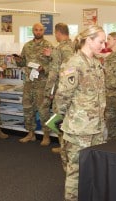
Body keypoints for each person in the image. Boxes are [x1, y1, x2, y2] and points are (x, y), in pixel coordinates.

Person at [54, 25, 106, 201]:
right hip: (79, 129)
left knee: (95, 168)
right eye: (100, 41)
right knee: (75, 170)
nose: (103, 45)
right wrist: (61, 117)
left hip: (97, 127)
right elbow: (62, 96)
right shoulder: (74, 63)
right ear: (89, 40)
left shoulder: (95, 63)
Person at [14, 22, 53, 146]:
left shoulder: (48, 45)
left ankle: (46, 135)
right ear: (33, 31)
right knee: (27, 108)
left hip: (42, 83)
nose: (38, 32)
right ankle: (31, 133)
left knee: (43, 110)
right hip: (29, 83)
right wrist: (18, 60)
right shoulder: (27, 46)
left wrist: (44, 68)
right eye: (36, 30)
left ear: (43, 31)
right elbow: (22, 63)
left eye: (40, 30)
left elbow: (54, 64)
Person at [43, 22, 74, 155]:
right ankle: (70, 146)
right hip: (74, 89)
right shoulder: (75, 46)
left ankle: (64, 147)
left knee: (57, 118)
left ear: (58, 33)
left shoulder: (59, 49)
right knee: (70, 118)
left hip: (61, 90)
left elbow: (54, 72)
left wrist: (48, 91)